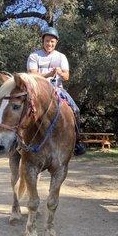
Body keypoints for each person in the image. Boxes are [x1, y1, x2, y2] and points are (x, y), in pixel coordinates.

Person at [26, 27, 86, 155]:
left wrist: (59, 72)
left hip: (57, 90)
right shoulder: (34, 56)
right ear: (43, 41)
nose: (49, 44)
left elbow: (66, 76)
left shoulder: (61, 57)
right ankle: (17, 140)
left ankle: (77, 142)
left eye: (52, 41)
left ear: (56, 42)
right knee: (21, 107)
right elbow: (32, 75)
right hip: (37, 90)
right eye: (47, 41)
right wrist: (48, 74)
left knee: (75, 109)